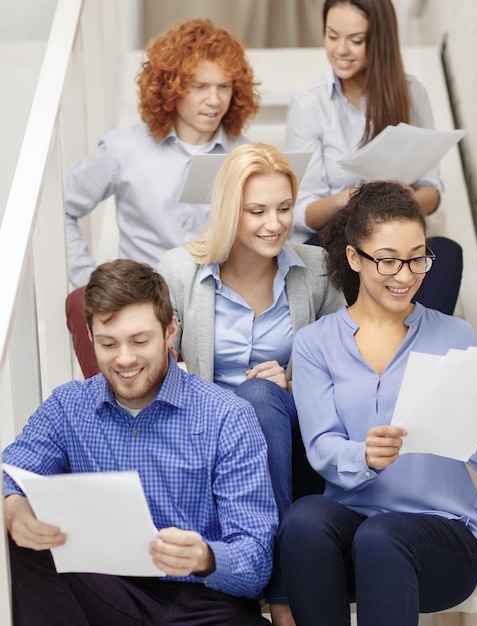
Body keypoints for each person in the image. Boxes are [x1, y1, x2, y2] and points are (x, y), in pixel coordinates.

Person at [278, 181, 477, 626]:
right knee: (304, 519)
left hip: (443, 541)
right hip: (355, 535)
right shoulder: (315, 344)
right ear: (354, 258)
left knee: (382, 536)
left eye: (417, 258)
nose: (406, 275)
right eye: (388, 260)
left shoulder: (455, 336)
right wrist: (364, 455)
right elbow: (321, 448)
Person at [3, 259, 278, 626]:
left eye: (139, 340)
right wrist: (13, 506)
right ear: (90, 336)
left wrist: (205, 557)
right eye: (108, 343)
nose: (125, 358)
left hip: (203, 601)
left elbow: (256, 561)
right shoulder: (67, 407)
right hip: (108, 591)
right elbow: (12, 471)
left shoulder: (227, 416)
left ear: (170, 332)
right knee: (23, 537)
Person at [158, 143, 345, 626]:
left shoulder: (317, 270)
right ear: (228, 211)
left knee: (262, 398)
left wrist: (294, 380)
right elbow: (160, 364)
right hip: (209, 434)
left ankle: (280, 592)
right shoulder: (179, 271)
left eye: (284, 208)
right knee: (249, 403)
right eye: (257, 210)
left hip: (290, 426)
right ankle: (279, 593)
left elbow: (344, 361)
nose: (275, 224)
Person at [65, 18, 260, 378]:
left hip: (216, 301)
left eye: (224, 86)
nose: (214, 100)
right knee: (83, 301)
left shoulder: (247, 156)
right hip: (138, 298)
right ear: (170, 87)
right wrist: (87, 276)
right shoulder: (123, 149)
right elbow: (60, 209)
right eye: (199, 86)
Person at [286, 0, 462, 315]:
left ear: (379, 40)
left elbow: (432, 190)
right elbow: (304, 212)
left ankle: (408, 353)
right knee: (332, 260)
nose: (340, 49)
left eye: (355, 40)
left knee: (446, 256)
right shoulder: (309, 106)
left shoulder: (410, 93)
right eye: (332, 35)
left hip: (396, 235)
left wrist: (407, 198)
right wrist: (355, 198)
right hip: (335, 239)